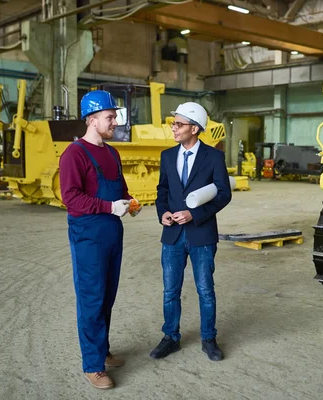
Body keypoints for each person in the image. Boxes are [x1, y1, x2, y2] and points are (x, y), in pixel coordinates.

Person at [59, 90, 141, 390]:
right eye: (110, 117)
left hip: (111, 233)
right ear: (92, 120)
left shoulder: (112, 152)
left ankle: (102, 351)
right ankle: (93, 366)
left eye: (114, 116)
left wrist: (129, 202)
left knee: (107, 295)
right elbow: (70, 198)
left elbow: (120, 187)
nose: (115, 121)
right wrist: (108, 207)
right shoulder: (74, 154)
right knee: (92, 298)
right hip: (89, 234)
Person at [150, 102, 232, 362]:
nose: (173, 128)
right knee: (169, 291)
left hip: (201, 235)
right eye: (173, 123)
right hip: (172, 234)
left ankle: (208, 338)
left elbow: (223, 194)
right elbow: (162, 191)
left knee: (205, 290)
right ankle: (170, 337)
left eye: (178, 124)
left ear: (194, 129)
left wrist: (194, 214)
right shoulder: (166, 156)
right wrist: (162, 212)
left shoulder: (214, 157)